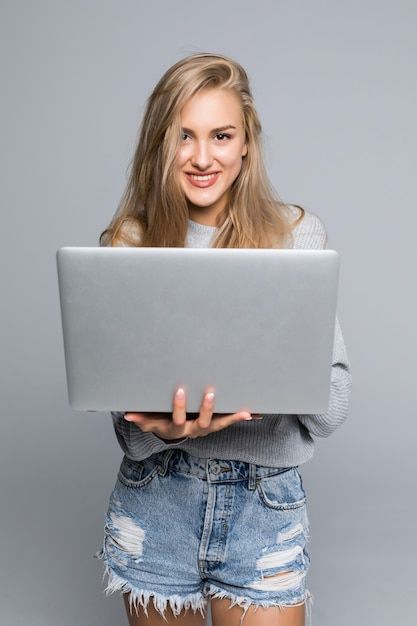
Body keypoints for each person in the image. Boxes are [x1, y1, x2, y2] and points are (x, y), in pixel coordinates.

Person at [95, 52, 352, 626]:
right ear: (161, 144)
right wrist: (160, 429)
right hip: (155, 499)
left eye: (222, 135)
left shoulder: (295, 236)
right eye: (184, 136)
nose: (203, 157)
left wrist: (255, 395)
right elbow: (124, 425)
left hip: (265, 506)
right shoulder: (128, 243)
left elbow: (333, 402)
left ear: (246, 143)